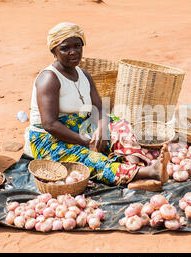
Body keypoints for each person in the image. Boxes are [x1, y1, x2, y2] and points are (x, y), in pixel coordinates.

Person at [25, 22, 169, 186]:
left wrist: (101, 129)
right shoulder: (49, 78)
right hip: (50, 138)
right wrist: (87, 142)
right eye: (65, 48)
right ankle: (150, 172)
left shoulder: (83, 74)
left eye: (78, 46)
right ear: (54, 51)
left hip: (81, 126)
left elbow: (99, 108)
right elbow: (50, 124)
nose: (73, 52)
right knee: (87, 157)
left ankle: (133, 169)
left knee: (120, 125)